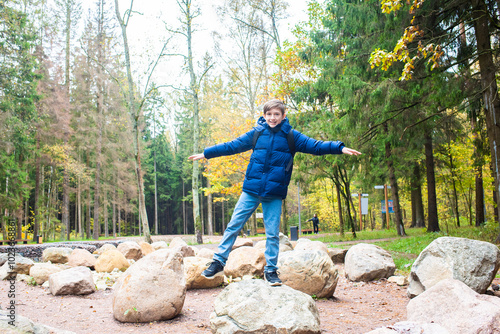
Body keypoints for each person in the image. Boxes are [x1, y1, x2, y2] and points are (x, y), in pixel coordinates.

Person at [188, 99, 361, 286]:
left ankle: (270, 270)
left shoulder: (291, 137)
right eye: (269, 114)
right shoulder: (256, 134)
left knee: (272, 234)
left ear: (283, 116)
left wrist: (339, 148)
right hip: (251, 190)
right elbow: (232, 146)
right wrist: (207, 153)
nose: (272, 118)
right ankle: (218, 261)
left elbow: (316, 146)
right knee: (233, 225)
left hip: (274, 193)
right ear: (264, 116)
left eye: (276, 114)